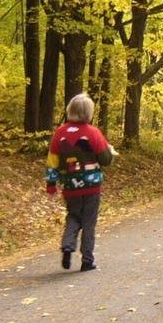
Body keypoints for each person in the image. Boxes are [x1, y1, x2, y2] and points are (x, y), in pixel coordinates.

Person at [45, 93, 116, 271]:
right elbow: (105, 159)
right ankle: (87, 260)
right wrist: (111, 152)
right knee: (89, 222)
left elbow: (52, 161)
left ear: (70, 110)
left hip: (70, 185)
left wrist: (51, 184)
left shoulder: (60, 133)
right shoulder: (93, 133)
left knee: (73, 216)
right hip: (92, 186)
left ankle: (68, 245)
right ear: (89, 113)